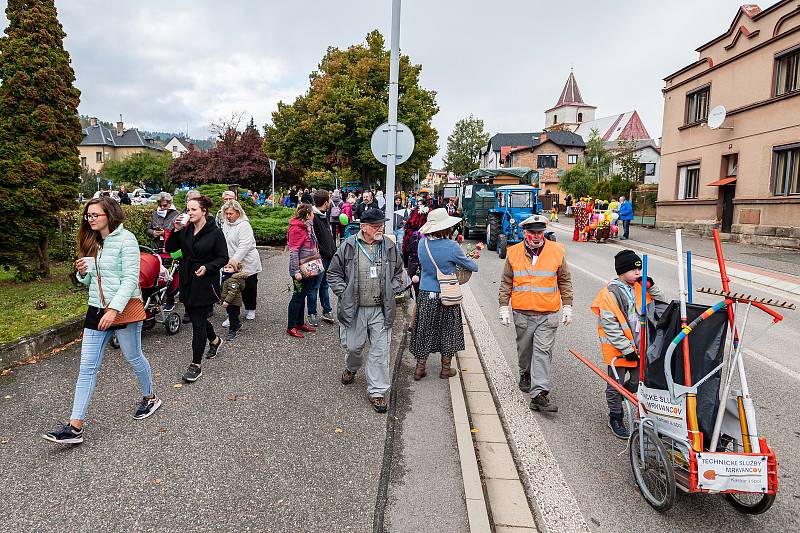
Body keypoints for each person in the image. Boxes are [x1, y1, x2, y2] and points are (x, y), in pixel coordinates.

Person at [43, 197, 161, 444]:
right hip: (96, 309)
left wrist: (114, 310)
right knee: (87, 367)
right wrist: (83, 273)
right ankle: (75, 427)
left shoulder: (126, 239)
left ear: (110, 214)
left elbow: (130, 279)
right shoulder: (93, 241)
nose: (91, 219)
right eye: (88, 215)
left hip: (123, 308)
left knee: (133, 356)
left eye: (95, 215)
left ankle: (150, 397)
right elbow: (90, 280)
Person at [327, 208, 405, 413]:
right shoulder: (349, 246)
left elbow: (399, 272)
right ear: (364, 227)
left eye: (382, 225)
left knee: (380, 351)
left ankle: (377, 391)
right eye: (377, 226)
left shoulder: (388, 246)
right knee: (353, 347)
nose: (381, 228)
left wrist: (393, 288)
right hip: (355, 308)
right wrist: (344, 293)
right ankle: (352, 368)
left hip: (381, 309)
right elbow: (333, 274)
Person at [498, 215, 573, 412]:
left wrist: (567, 305)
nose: (536, 236)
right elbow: (506, 281)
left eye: (540, 232)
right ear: (524, 233)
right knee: (525, 350)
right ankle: (525, 372)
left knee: (543, 352)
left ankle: (539, 394)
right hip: (522, 313)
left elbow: (564, 280)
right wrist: (503, 305)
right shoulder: (513, 253)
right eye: (532, 232)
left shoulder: (556, 251)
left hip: (548, 313)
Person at [591, 250, 665, 438]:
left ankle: (624, 395)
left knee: (637, 382)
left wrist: (652, 286)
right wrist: (626, 349)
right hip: (618, 349)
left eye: (639, 270)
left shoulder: (640, 287)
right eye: (634, 270)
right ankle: (615, 416)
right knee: (615, 384)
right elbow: (609, 324)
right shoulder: (609, 292)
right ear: (622, 271)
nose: (638, 273)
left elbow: (663, 304)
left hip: (641, 346)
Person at [166, 195, 229, 383]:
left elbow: (223, 257)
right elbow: (170, 248)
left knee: (198, 323)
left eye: (193, 209)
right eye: (187, 210)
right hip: (187, 278)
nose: (189, 213)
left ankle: (196, 365)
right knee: (195, 318)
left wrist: (208, 267)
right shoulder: (185, 230)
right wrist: (175, 230)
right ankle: (215, 340)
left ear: (204, 211)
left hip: (204, 280)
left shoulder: (215, 232)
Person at [410, 208, 479, 380]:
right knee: (448, 330)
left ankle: (420, 368)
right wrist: (470, 258)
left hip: (426, 293)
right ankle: (445, 369)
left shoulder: (422, 244)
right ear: (445, 227)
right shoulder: (452, 246)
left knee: (424, 329)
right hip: (446, 294)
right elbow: (472, 267)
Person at [220, 200, 262, 322]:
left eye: (231, 213)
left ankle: (251, 308)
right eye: (226, 213)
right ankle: (232, 315)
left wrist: (234, 261)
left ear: (238, 212)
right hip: (231, 262)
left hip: (247, 263)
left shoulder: (244, 225)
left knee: (249, 288)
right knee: (231, 289)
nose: (228, 216)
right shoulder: (226, 224)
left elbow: (244, 245)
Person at [286, 204, 320, 338]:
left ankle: (299, 323)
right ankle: (291, 326)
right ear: (307, 215)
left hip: (310, 267)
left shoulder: (308, 226)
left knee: (303, 295)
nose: (314, 215)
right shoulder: (296, 229)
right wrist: (296, 271)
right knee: (297, 297)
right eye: (312, 213)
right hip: (301, 270)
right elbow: (293, 251)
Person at [309, 189, 336, 326]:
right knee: (315, 286)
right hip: (319, 258)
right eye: (329, 200)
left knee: (325, 285)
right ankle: (312, 312)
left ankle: (327, 310)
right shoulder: (314, 217)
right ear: (326, 202)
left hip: (328, 257)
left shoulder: (323, 215)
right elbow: (315, 240)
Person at [220, 262, 247, 340]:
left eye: (230, 267)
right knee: (232, 314)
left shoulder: (232, 280)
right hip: (229, 302)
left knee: (232, 316)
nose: (227, 269)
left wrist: (227, 301)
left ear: (235, 269)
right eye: (225, 267)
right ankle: (237, 325)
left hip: (234, 302)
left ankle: (232, 331)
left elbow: (232, 292)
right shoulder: (226, 277)